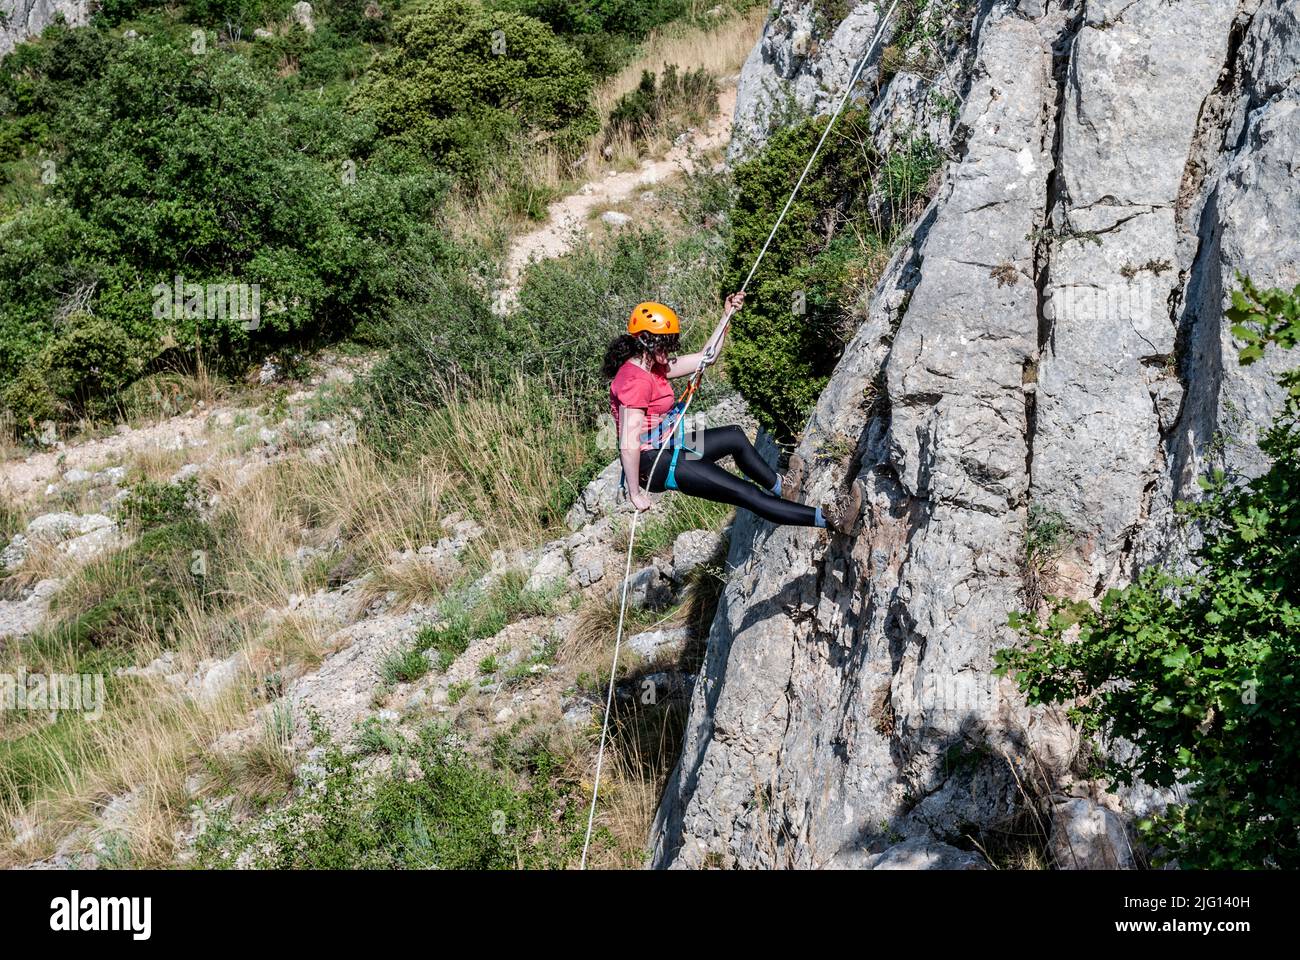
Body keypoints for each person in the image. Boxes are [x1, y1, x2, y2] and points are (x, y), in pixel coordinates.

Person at [602, 295, 860, 532]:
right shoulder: (633, 381)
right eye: (664, 344)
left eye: (670, 344)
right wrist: (635, 493)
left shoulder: (654, 366)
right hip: (658, 463)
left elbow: (706, 357)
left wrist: (727, 316)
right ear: (645, 340)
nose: (668, 351)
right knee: (746, 493)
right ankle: (832, 520)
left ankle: (783, 487)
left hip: (673, 445)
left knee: (734, 437)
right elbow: (628, 443)